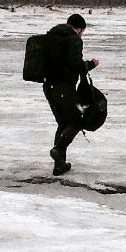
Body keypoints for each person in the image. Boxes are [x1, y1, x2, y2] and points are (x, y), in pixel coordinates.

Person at [42, 14, 99, 174]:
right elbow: (75, 64)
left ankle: (59, 165)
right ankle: (59, 150)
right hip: (63, 87)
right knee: (75, 122)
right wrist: (90, 64)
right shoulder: (73, 39)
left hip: (49, 86)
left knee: (63, 123)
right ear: (79, 28)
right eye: (82, 32)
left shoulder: (51, 36)